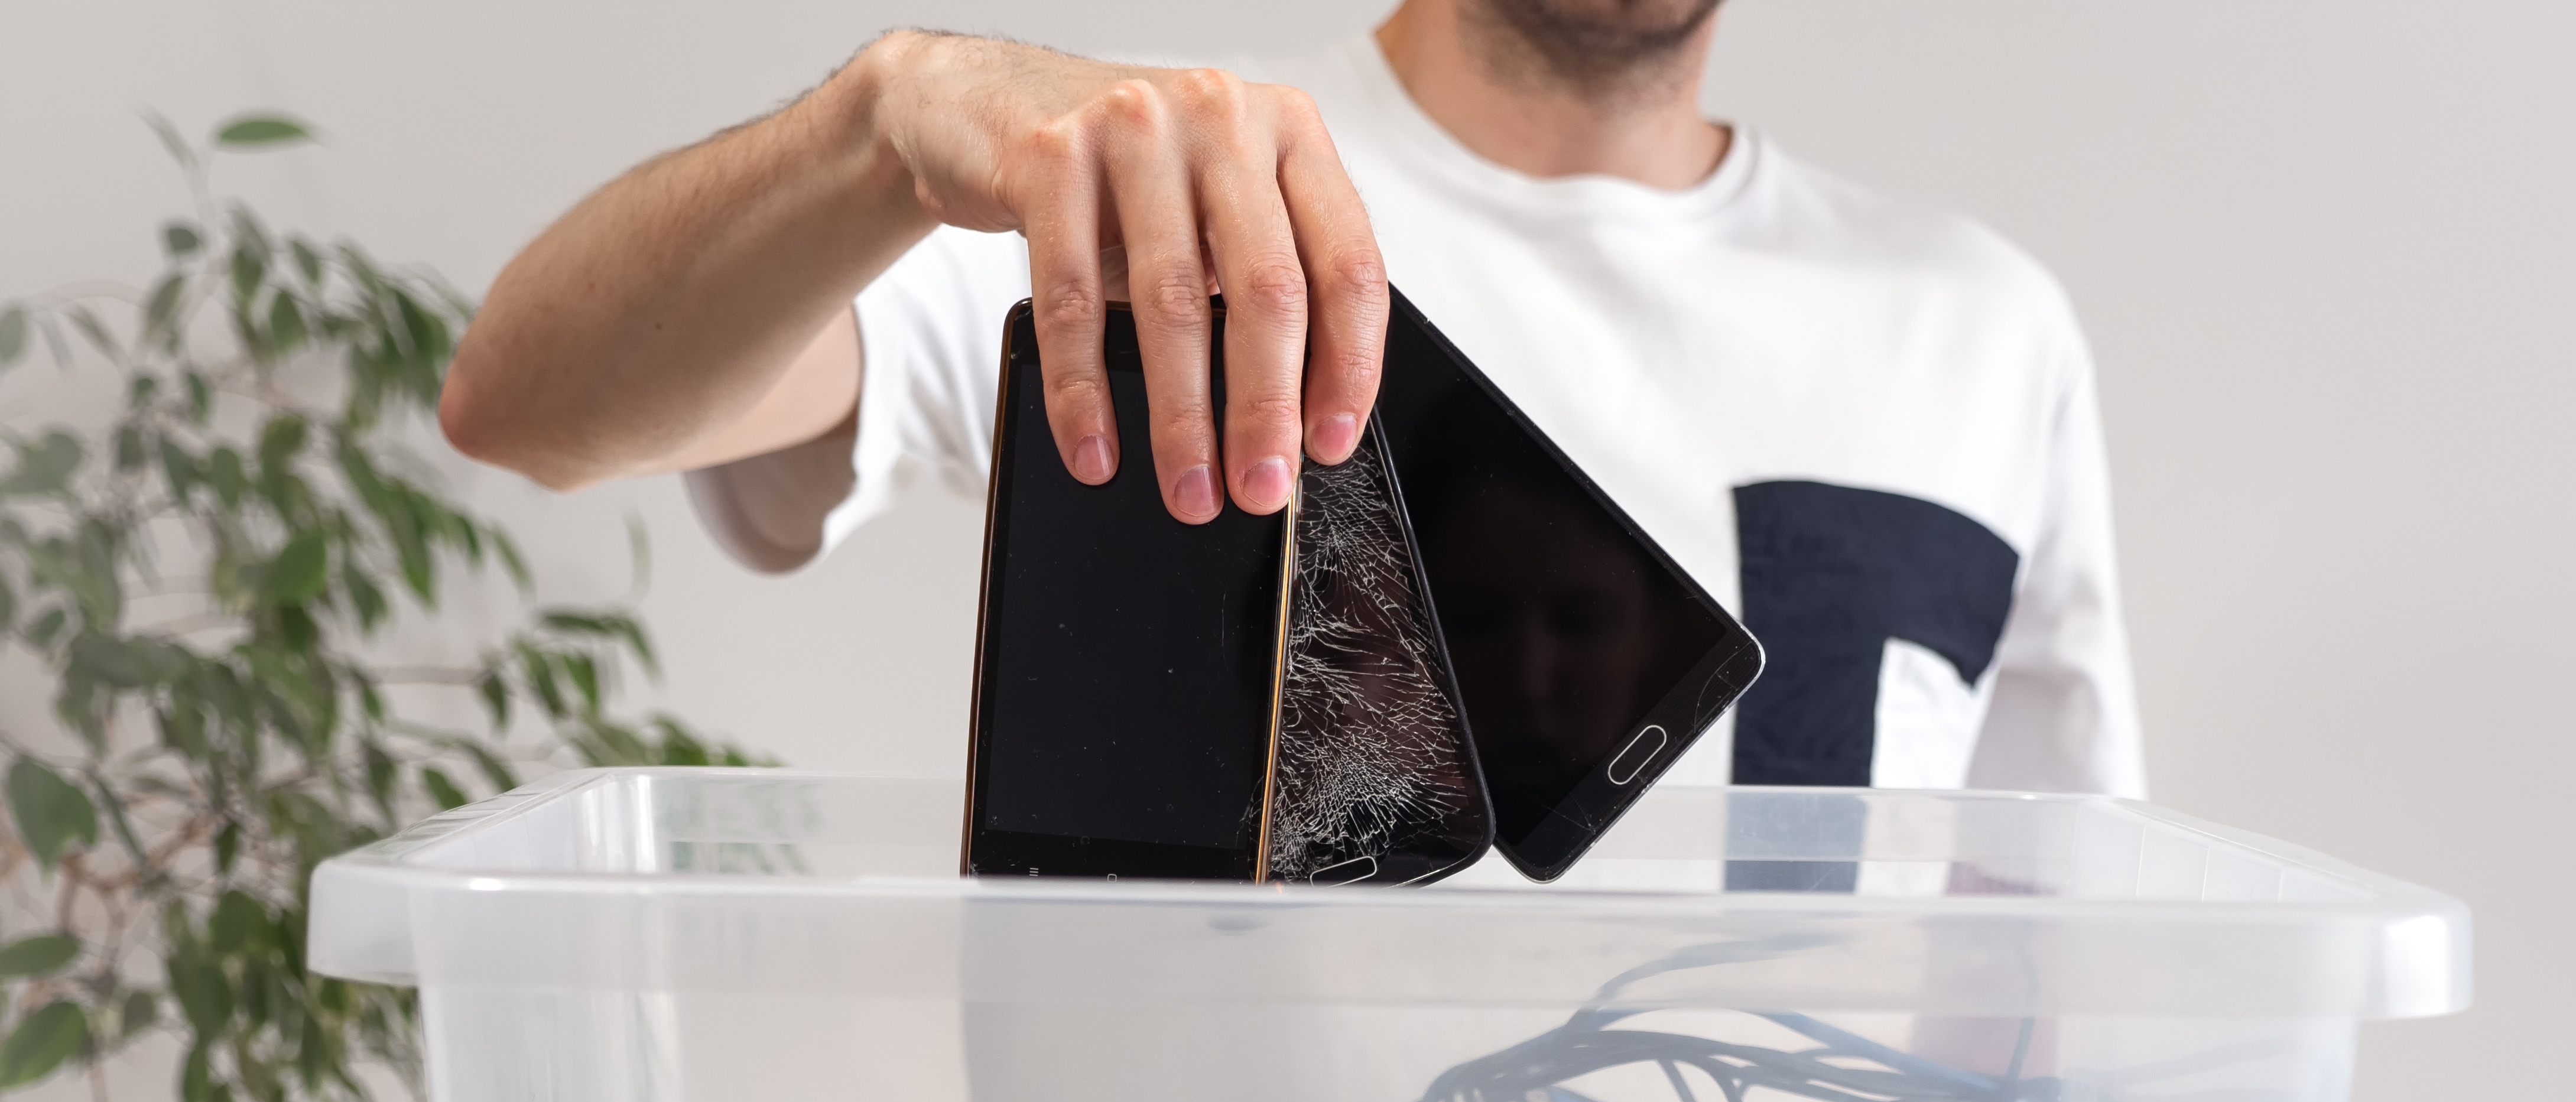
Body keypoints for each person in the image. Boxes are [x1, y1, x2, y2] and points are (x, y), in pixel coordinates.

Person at [441, 1, 2145, 802]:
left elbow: (2068, 987)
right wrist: (885, 118)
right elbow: (539, 407)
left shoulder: (1982, 332)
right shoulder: (1140, 195)